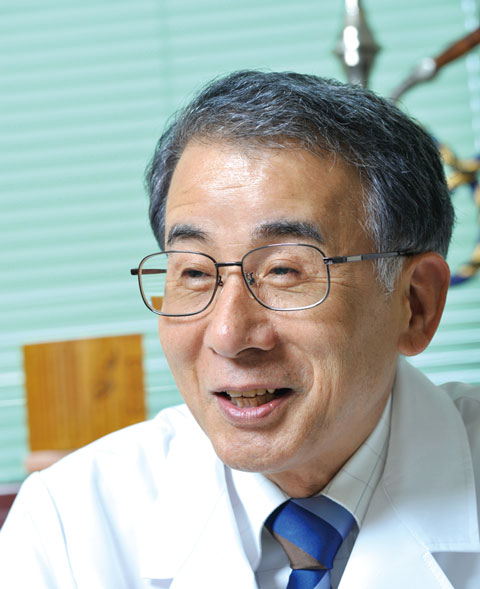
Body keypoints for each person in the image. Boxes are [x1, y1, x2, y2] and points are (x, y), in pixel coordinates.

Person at [1, 71, 479, 588]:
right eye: (194, 273)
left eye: (284, 270)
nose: (228, 334)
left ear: (416, 304)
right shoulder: (68, 525)